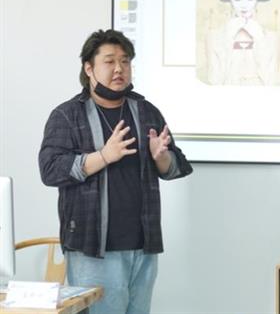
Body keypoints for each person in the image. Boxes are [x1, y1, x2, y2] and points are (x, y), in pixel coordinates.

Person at [38, 29, 193, 314]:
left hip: (143, 245)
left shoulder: (146, 111)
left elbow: (177, 166)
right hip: (93, 247)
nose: (119, 69)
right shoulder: (67, 114)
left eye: (125, 61)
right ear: (89, 68)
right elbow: (50, 169)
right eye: (109, 61)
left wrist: (161, 157)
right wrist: (103, 157)